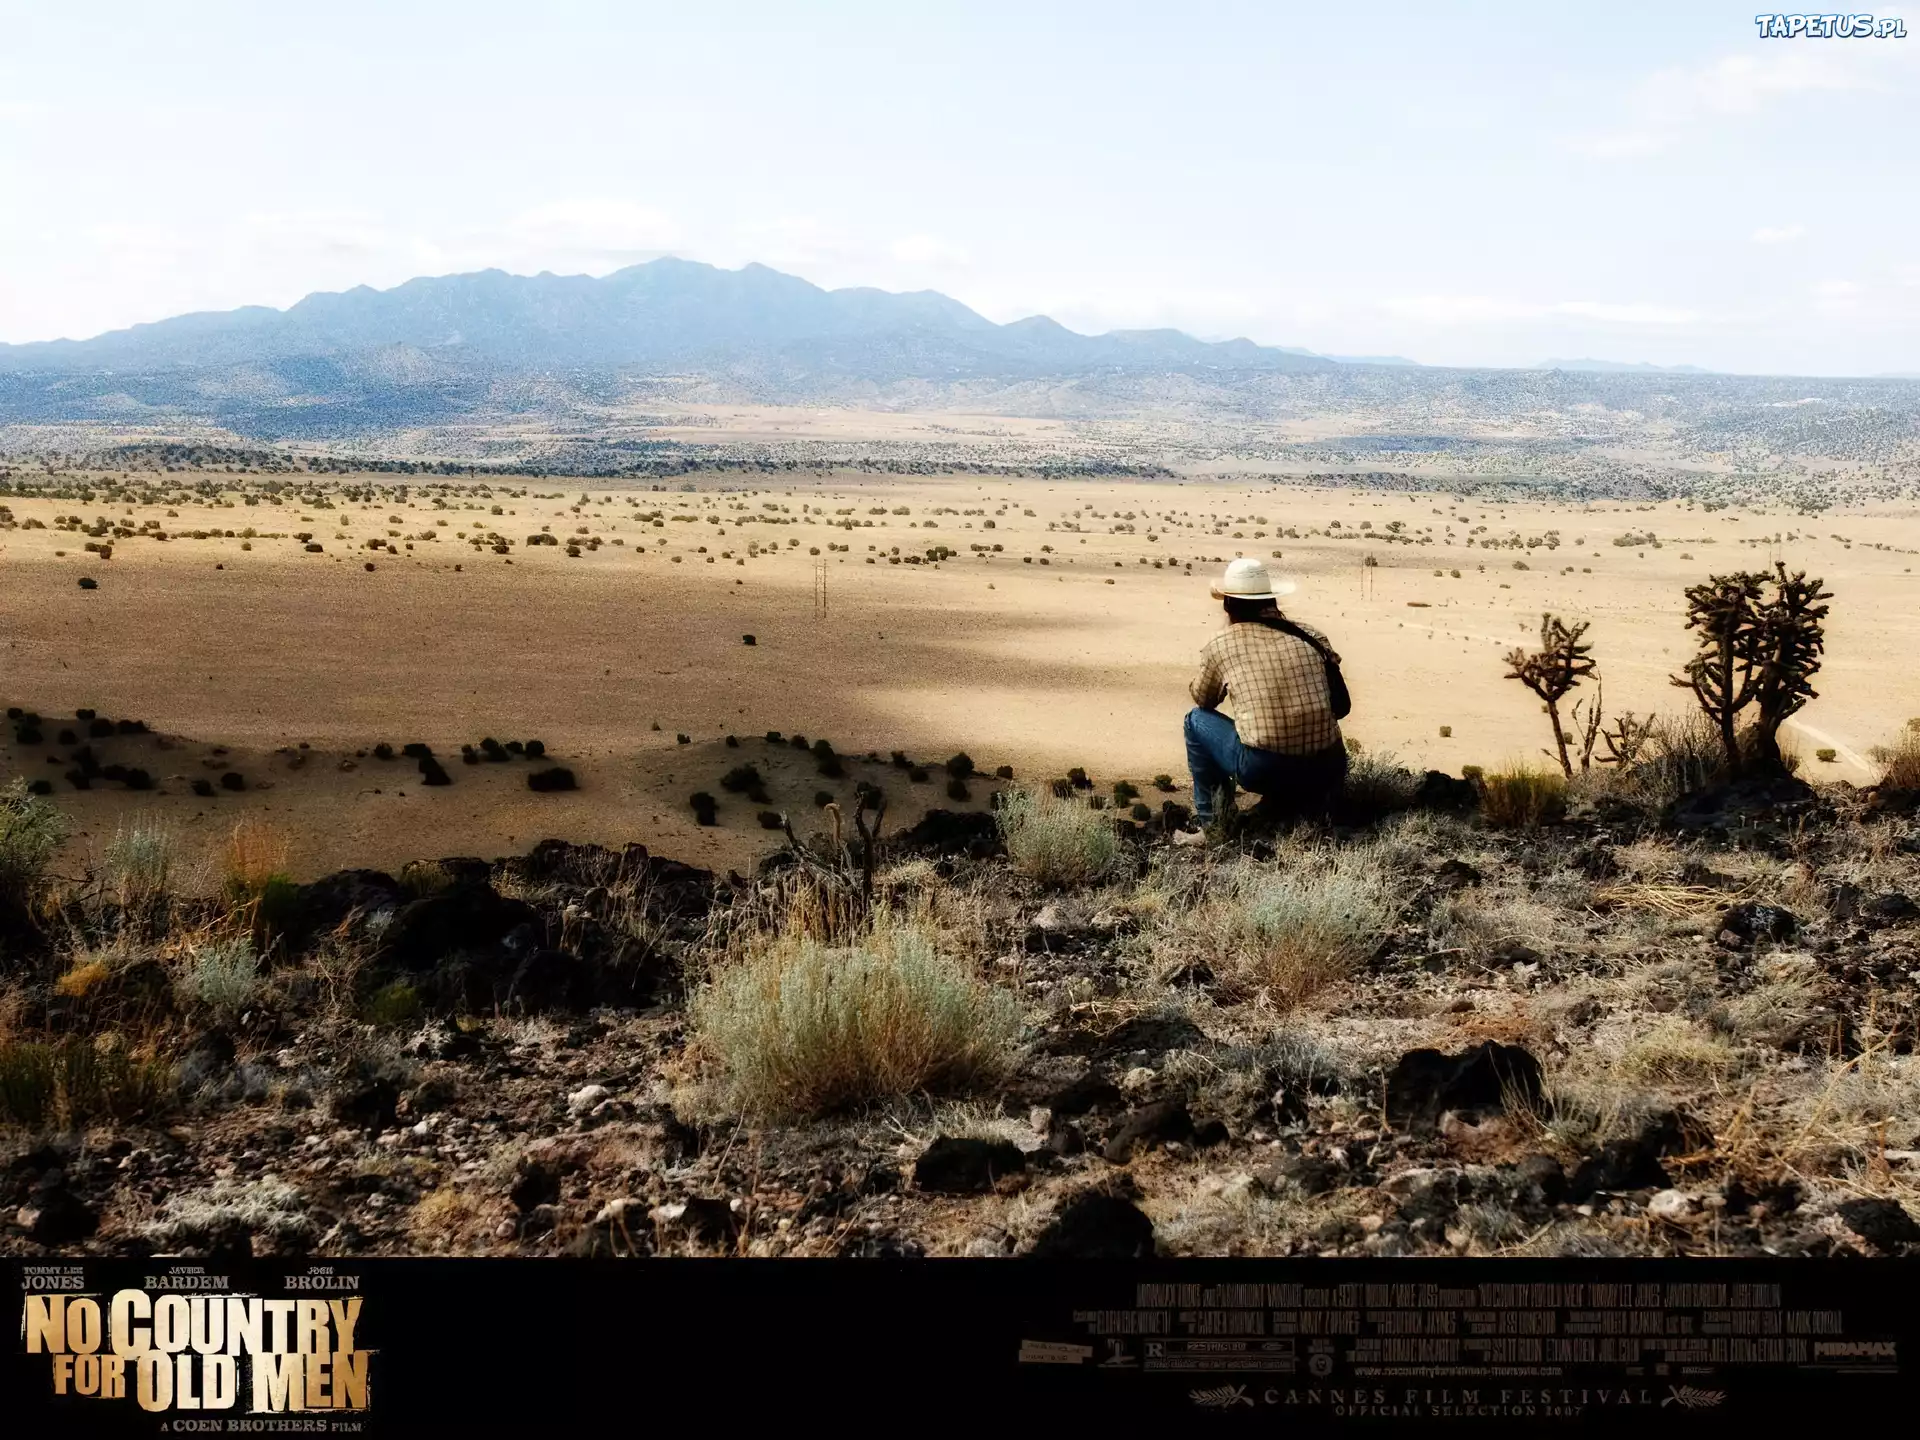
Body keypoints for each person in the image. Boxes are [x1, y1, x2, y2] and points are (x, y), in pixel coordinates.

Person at [1175, 557, 1349, 844]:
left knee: (1195, 721)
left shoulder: (1222, 644)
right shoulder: (1312, 636)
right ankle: (1300, 806)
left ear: (1228, 605)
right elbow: (1340, 707)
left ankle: (1215, 827)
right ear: (1271, 600)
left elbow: (1204, 699)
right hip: (1328, 766)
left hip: (1265, 769)